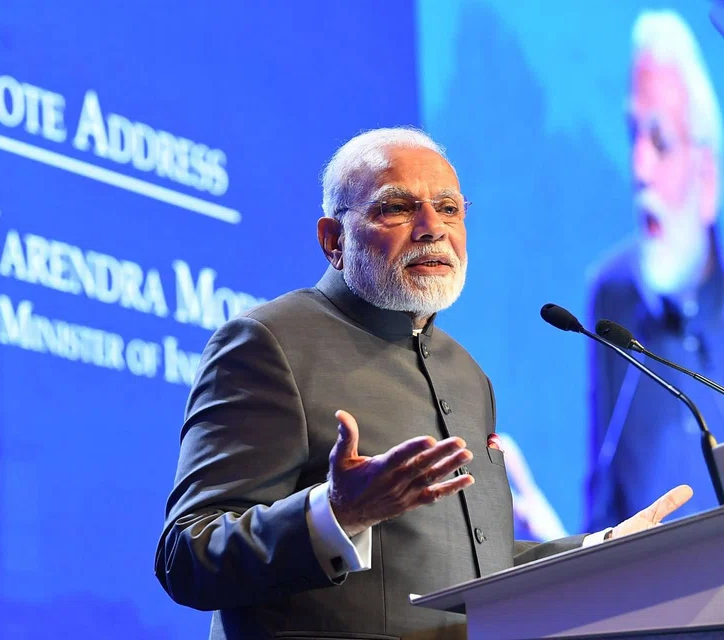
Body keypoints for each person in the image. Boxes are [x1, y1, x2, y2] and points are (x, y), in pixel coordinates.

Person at [156, 127, 691, 640]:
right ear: (333, 240)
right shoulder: (268, 342)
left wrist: (604, 550)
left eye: (449, 208)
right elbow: (187, 553)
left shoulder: (468, 374)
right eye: (396, 207)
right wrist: (337, 513)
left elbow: (479, 564)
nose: (432, 227)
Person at [587, 10, 723, 532]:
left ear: (707, 175)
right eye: (633, 137)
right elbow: (604, 505)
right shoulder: (613, 295)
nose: (639, 169)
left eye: (661, 141)